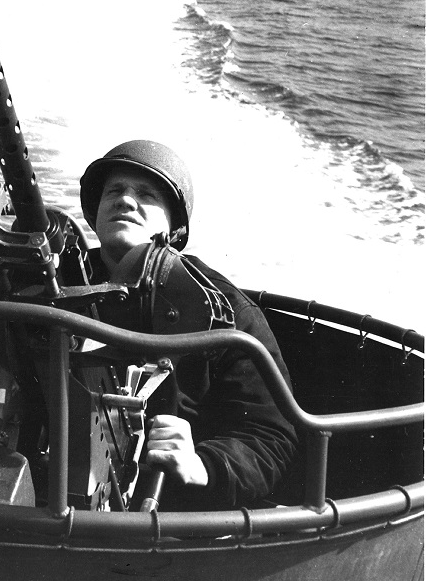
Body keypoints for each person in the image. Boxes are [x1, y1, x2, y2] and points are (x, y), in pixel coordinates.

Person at [79, 140, 298, 510]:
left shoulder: (223, 311)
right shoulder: (55, 281)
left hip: (166, 517)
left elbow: (271, 436)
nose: (125, 200)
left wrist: (202, 464)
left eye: (146, 194)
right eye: (114, 190)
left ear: (174, 227)